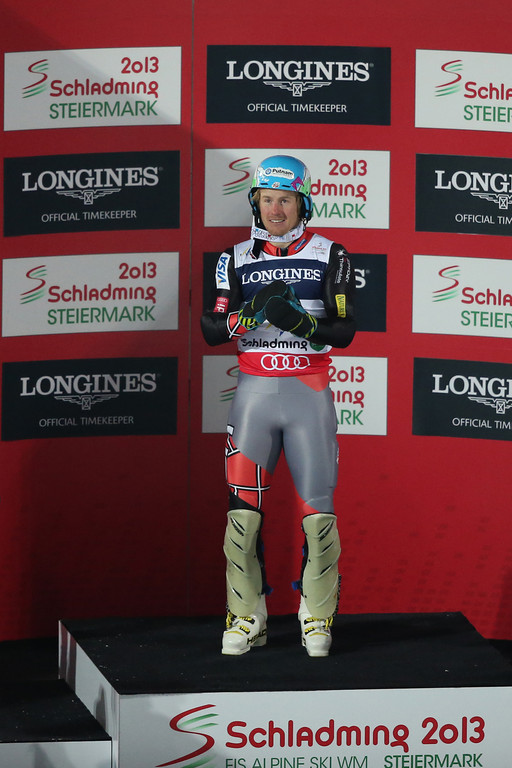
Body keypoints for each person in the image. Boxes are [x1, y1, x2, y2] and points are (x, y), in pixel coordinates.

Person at [201, 154, 356, 657]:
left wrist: (299, 322)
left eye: (285, 200)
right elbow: (210, 329)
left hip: (308, 394)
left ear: (302, 202)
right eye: (267, 199)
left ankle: (317, 618)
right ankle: (247, 616)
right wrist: (252, 313)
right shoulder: (235, 257)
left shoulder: (331, 254)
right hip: (254, 397)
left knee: (318, 516)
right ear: (256, 201)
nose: (275, 210)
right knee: (241, 516)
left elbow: (345, 331)